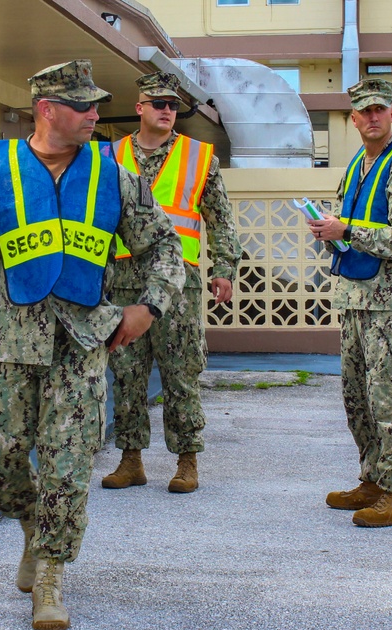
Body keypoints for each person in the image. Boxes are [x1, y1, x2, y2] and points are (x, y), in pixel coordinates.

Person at [0, 60, 184, 630]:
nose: (95, 115)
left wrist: (147, 308)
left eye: (95, 106)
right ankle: (32, 530)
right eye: (83, 106)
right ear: (47, 109)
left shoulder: (114, 175)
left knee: (68, 466)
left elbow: (165, 248)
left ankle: (50, 577)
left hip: (83, 346)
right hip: (10, 347)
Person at [101, 72, 241, 494]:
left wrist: (225, 268)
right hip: (124, 280)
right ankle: (130, 460)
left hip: (180, 282)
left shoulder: (200, 156)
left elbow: (220, 218)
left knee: (181, 370)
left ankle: (187, 460)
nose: (166, 110)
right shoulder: (108, 155)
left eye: (173, 105)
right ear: (140, 106)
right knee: (126, 372)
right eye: (157, 103)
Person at [305, 79, 392, 527]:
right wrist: (327, 231)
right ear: (353, 119)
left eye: (380, 109)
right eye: (364, 111)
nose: (373, 116)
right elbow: (347, 222)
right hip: (357, 298)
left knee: (390, 397)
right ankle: (373, 480)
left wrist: (346, 231)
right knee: (358, 397)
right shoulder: (357, 163)